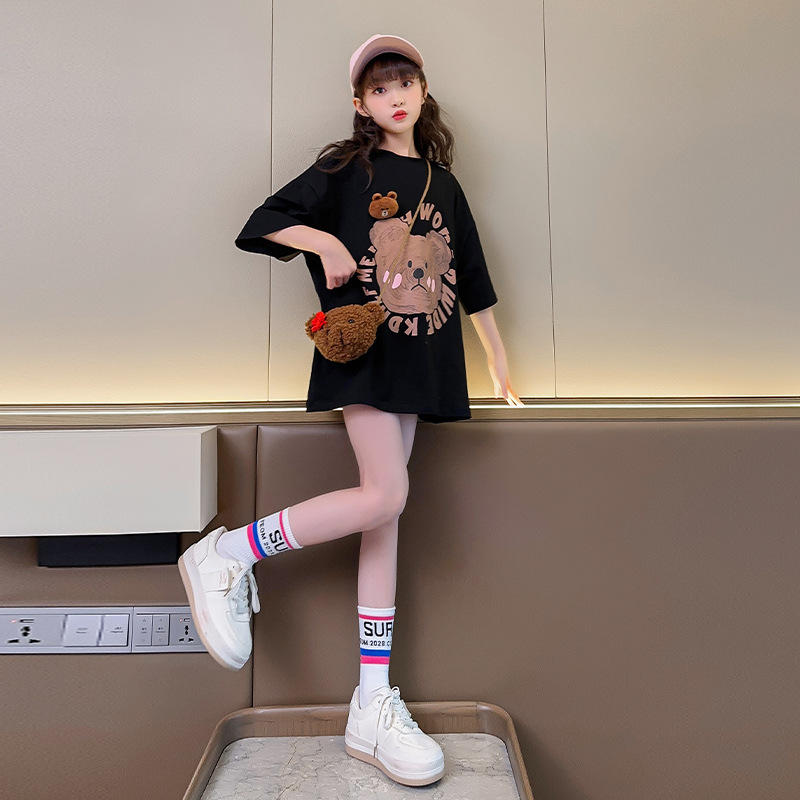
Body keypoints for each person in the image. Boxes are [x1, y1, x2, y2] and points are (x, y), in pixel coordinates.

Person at [179, 33, 522, 788]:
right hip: (365, 356)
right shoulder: (347, 167)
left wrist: (497, 361)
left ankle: (371, 700)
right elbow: (261, 221)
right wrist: (324, 244)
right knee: (387, 495)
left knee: (383, 517)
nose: (395, 96)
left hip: (423, 360)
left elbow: (472, 277)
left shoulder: (442, 183)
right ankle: (230, 553)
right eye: (379, 87)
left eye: (406, 82)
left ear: (424, 91)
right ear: (361, 104)